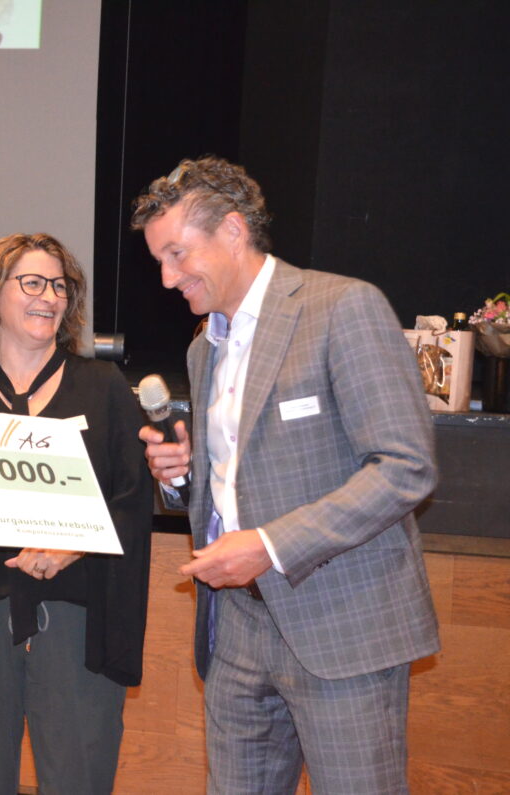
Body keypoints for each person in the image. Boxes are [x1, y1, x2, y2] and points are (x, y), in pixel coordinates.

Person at [132, 156, 439, 794]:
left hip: (342, 627)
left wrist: (270, 547)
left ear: (233, 231)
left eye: (177, 254)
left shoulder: (342, 307)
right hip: (237, 629)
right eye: (159, 260)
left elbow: (405, 467)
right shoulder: (203, 346)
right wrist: (181, 477)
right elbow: (233, 484)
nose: (167, 278)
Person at [0, 233, 153, 795]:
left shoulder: (103, 388)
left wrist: (73, 545)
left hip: (78, 621)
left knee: (78, 781)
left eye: (60, 286)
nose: (50, 297)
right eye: (33, 283)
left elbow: (132, 501)